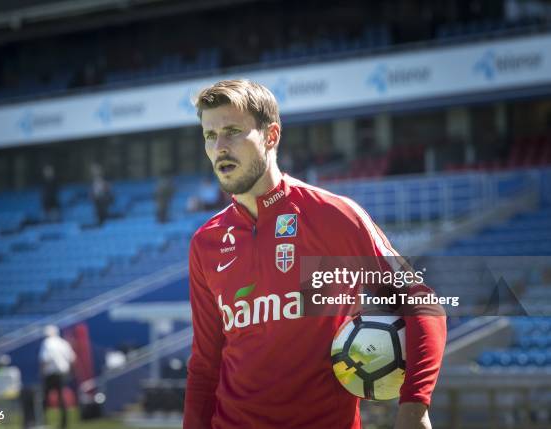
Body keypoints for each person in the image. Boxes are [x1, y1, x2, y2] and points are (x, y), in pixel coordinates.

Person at [184, 80, 446, 429]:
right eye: (209, 135)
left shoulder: (334, 217)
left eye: (232, 131)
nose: (220, 147)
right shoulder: (206, 242)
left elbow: (421, 301)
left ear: (271, 136)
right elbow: (205, 364)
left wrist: (414, 407)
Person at [39, 325, 76, 429]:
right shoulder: (64, 343)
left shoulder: (47, 343)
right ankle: (64, 423)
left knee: (45, 398)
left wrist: (42, 373)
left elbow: (45, 359)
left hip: (51, 374)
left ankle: (43, 421)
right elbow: (72, 358)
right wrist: (71, 372)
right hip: (63, 373)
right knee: (61, 398)